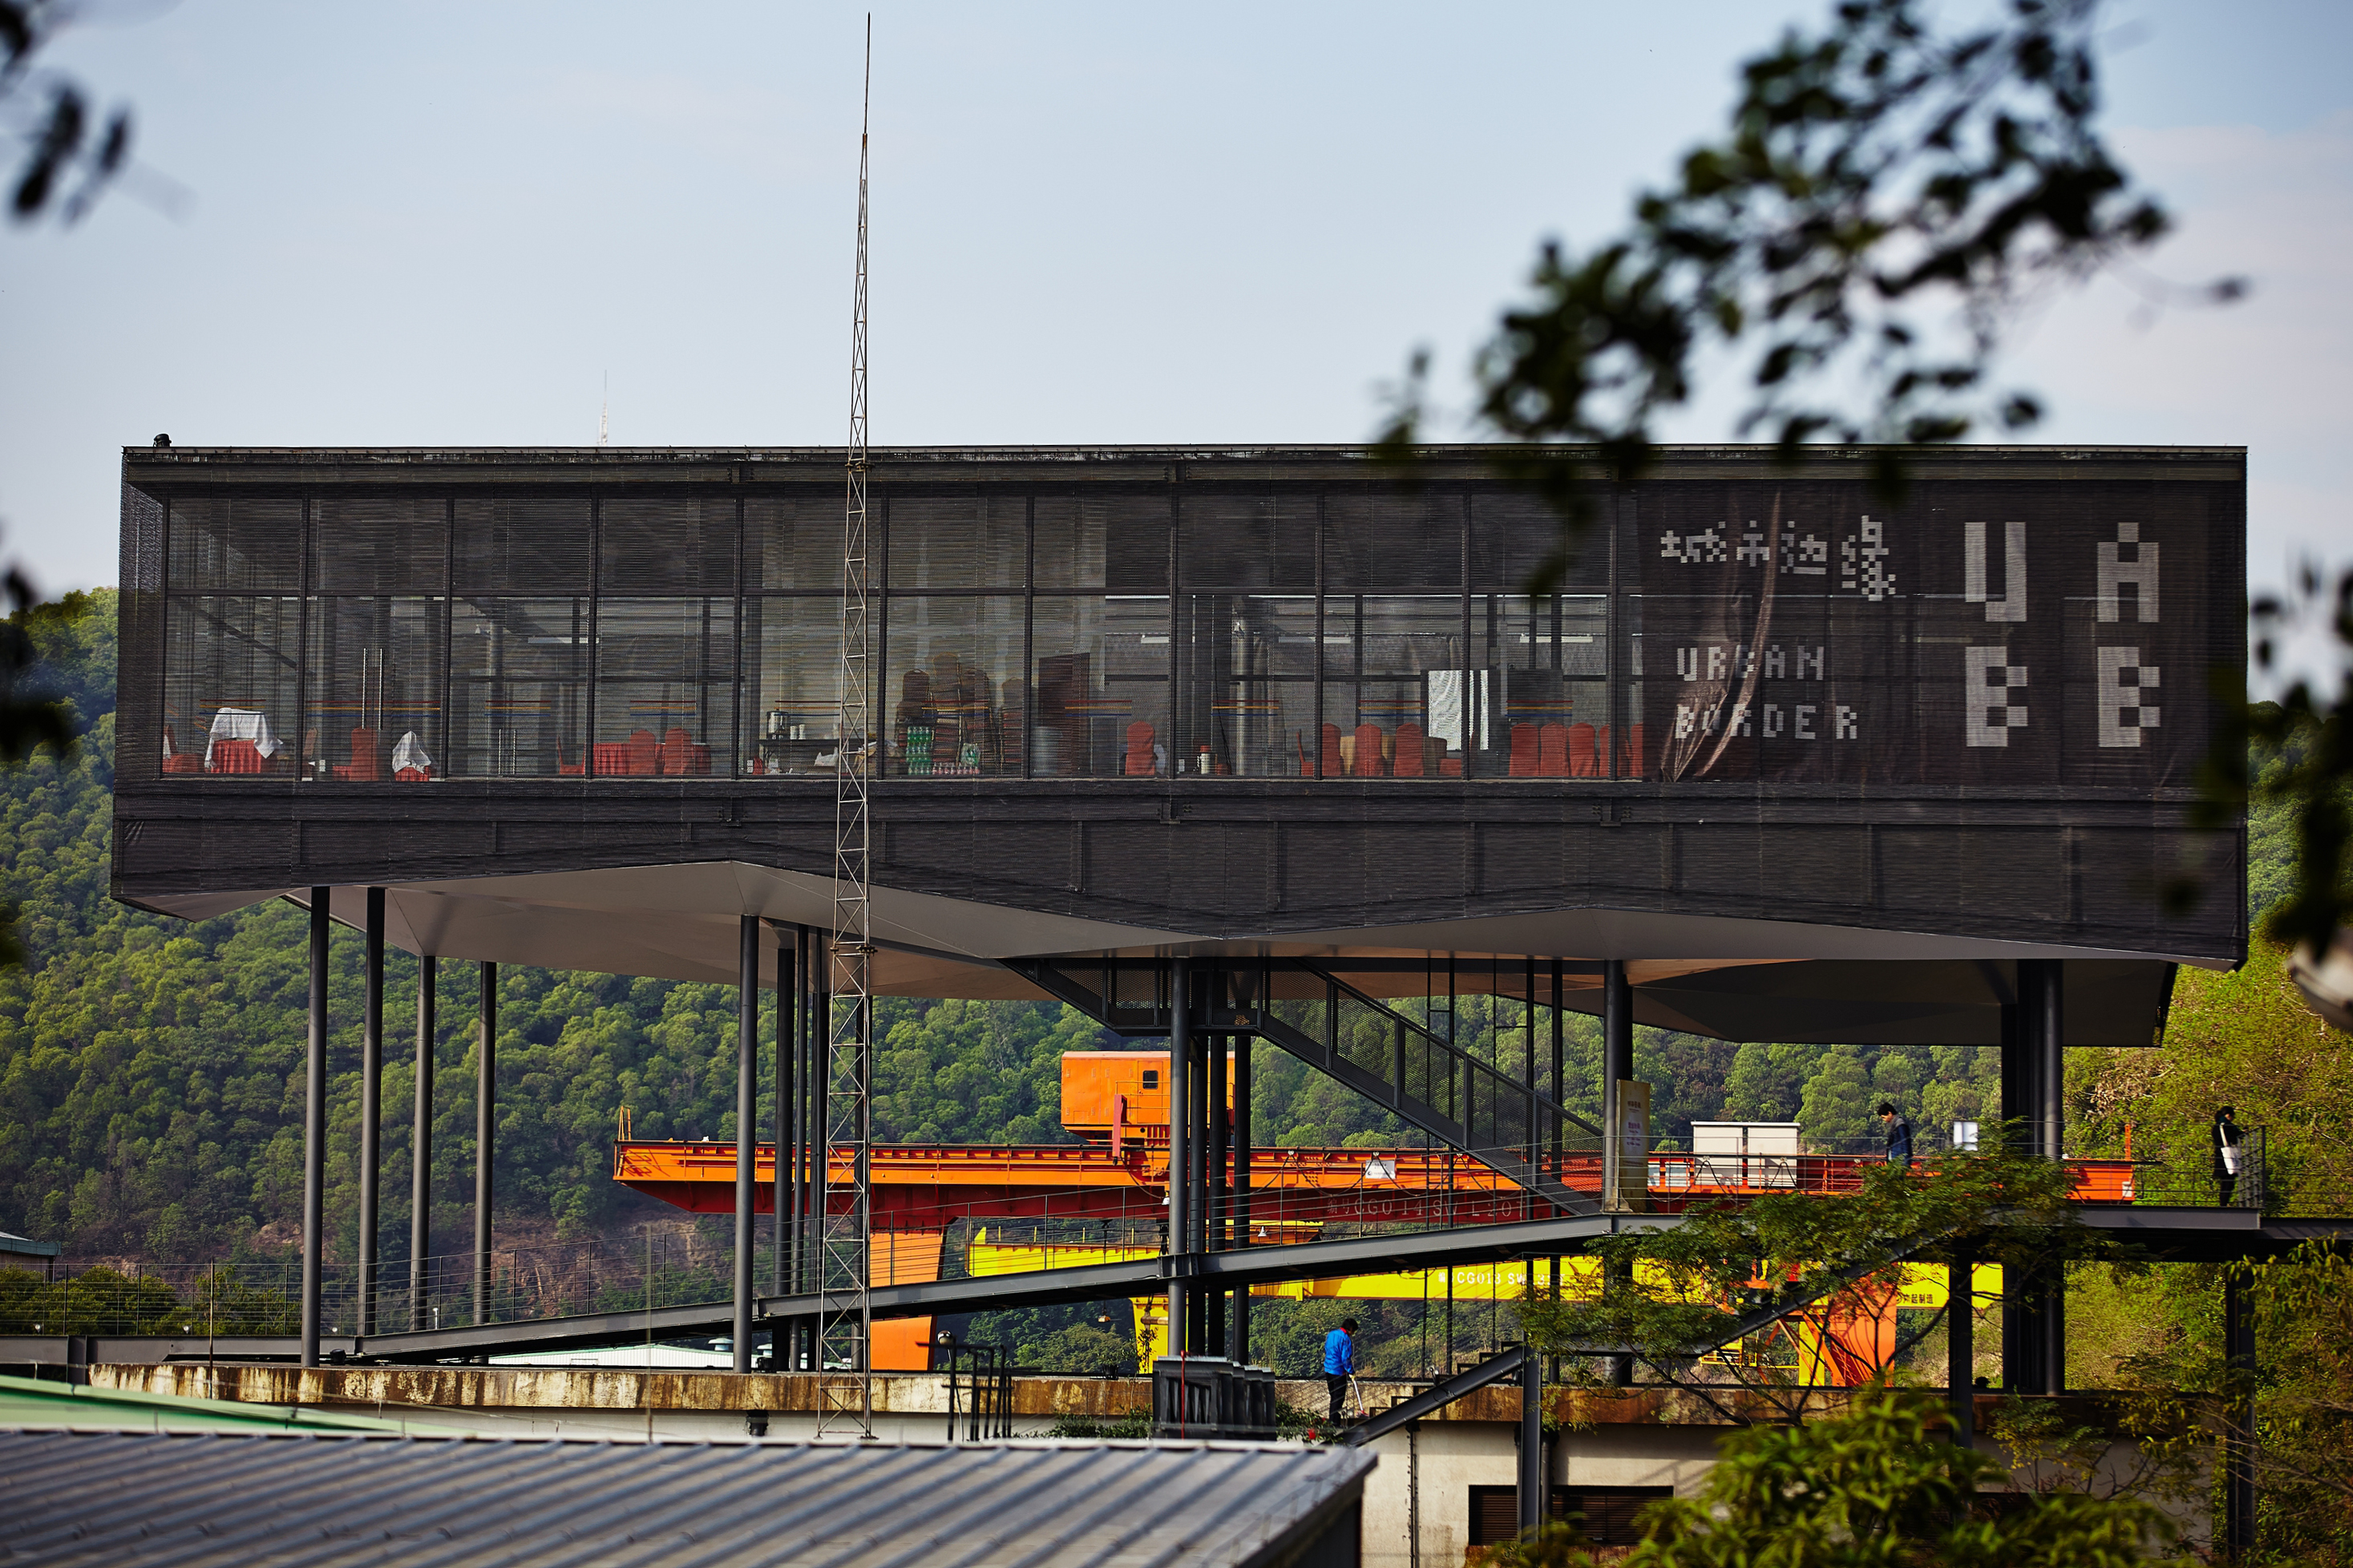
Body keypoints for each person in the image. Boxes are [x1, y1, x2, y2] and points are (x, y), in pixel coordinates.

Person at [1323, 1318, 1358, 1422]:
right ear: (1350, 1329)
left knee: (1333, 1397)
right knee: (1338, 1399)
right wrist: (1351, 1371)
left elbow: (1326, 1348)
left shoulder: (1331, 1334)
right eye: (1353, 1331)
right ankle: (1334, 1423)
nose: (1353, 1334)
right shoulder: (1345, 1339)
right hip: (1338, 1372)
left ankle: (1334, 1420)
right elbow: (1345, 1358)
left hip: (1328, 1370)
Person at [2214, 1105, 2244, 1206]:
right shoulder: (2227, 1126)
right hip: (2227, 1156)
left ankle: (2223, 1204)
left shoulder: (2216, 1126)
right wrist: (2242, 1134)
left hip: (2219, 1155)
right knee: (2229, 1183)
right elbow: (2234, 1138)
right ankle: (2224, 1204)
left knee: (2224, 1183)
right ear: (2228, 1115)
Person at [1878, 1101, 1914, 1169]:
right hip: (1895, 1161)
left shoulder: (1900, 1125)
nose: (1884, 1120)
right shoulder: (1895, 1125)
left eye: (1884, 1117)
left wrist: (1905, 1162)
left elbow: (1905, 1143)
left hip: (1900, 1162)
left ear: (1889, 1113)